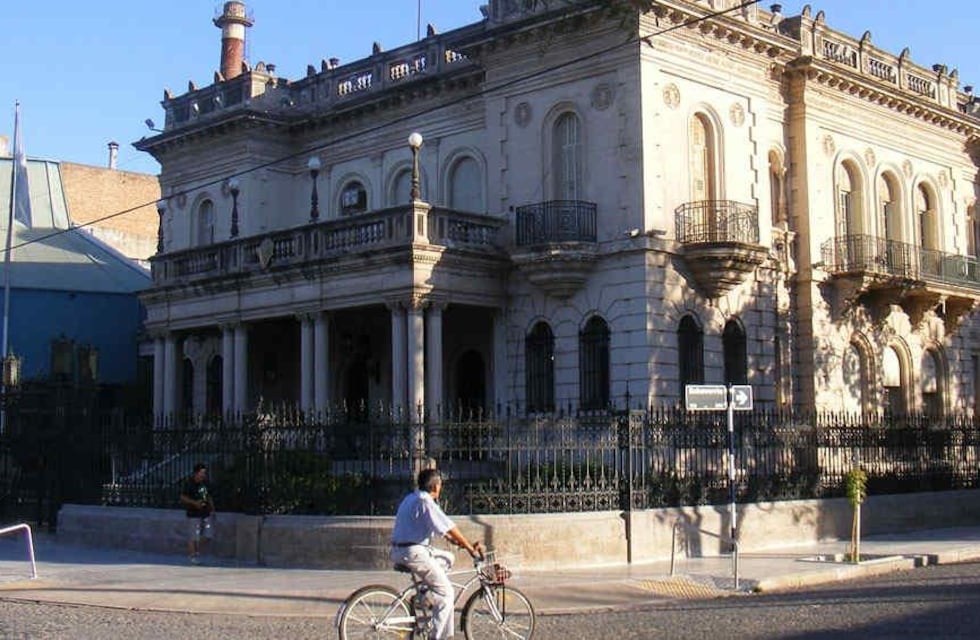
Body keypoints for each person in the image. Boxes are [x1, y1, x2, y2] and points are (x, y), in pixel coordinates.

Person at [391, 468, 483, 640]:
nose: (441, 488)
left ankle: (425, 593)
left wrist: (460, 544)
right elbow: (450, 527)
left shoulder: (411, 498)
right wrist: (470, 548)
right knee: (447, 593)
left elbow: (442, 530)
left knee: (448, 558)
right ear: (435, 486)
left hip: (403, 549)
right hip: (414, 552)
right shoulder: (426, 502)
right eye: (440, 484)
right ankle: (437, 637)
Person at [179, 462, 215, 565]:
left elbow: (209, 496)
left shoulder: (206, 483)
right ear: (196, 473)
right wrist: (194, 503)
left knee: (208, 535)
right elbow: (183, 497)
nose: (203, 475)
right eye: (201, 472)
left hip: (205, 512)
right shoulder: (189, 483)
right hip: (193, 513)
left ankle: (196, 550)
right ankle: (192, 556)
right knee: (193, 536)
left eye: (204, 473)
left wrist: (212, 509)